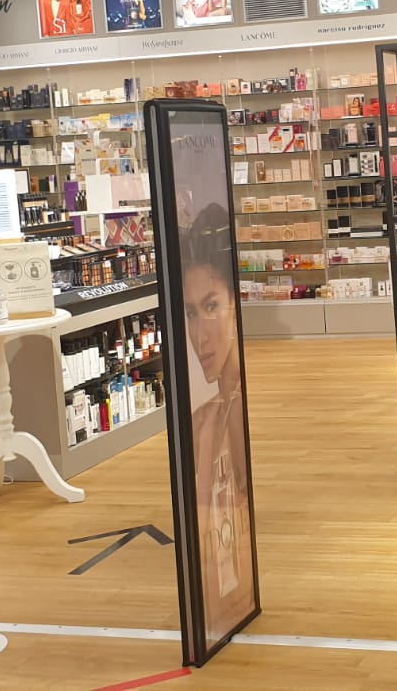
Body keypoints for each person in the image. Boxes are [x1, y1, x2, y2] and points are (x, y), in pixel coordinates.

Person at [180, 203, 254, 640]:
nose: (201, 334)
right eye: (191, 313)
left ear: (235, 306)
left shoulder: (237, 413)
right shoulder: (204, 420)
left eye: (212, 306)